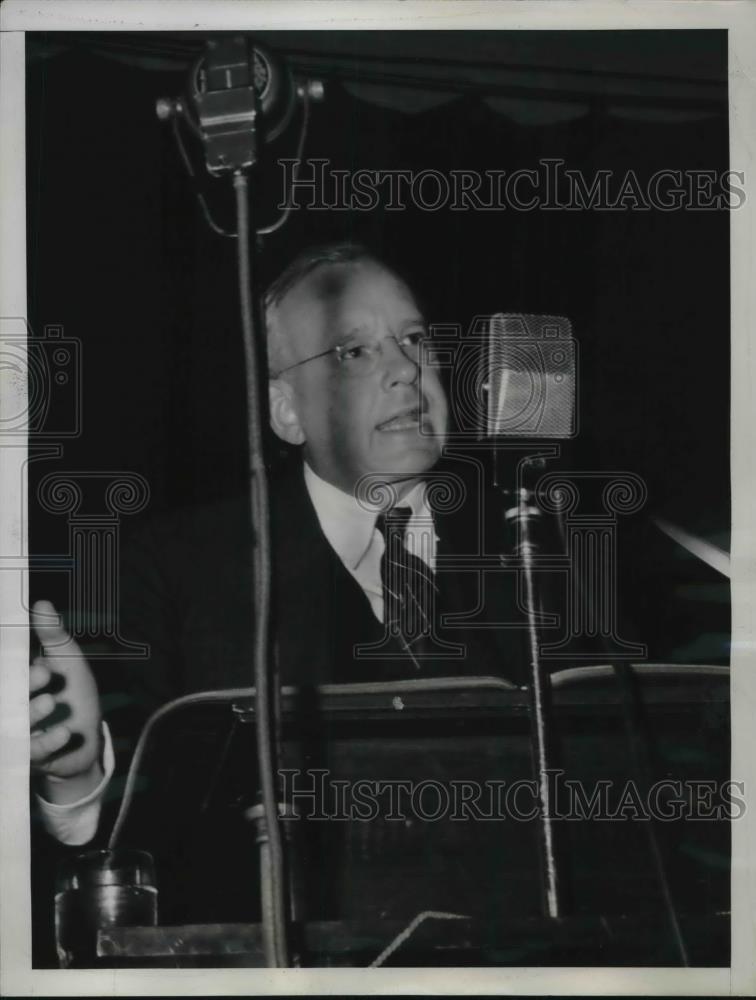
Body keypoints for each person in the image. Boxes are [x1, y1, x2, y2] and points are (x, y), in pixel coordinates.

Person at [29, 243, 527, 951]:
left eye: (414, 339)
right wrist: (79, 773)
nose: (405, 370)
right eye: (352, 352)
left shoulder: (537, 550)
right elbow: (137, 854)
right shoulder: (176, 569)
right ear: (286, 411)